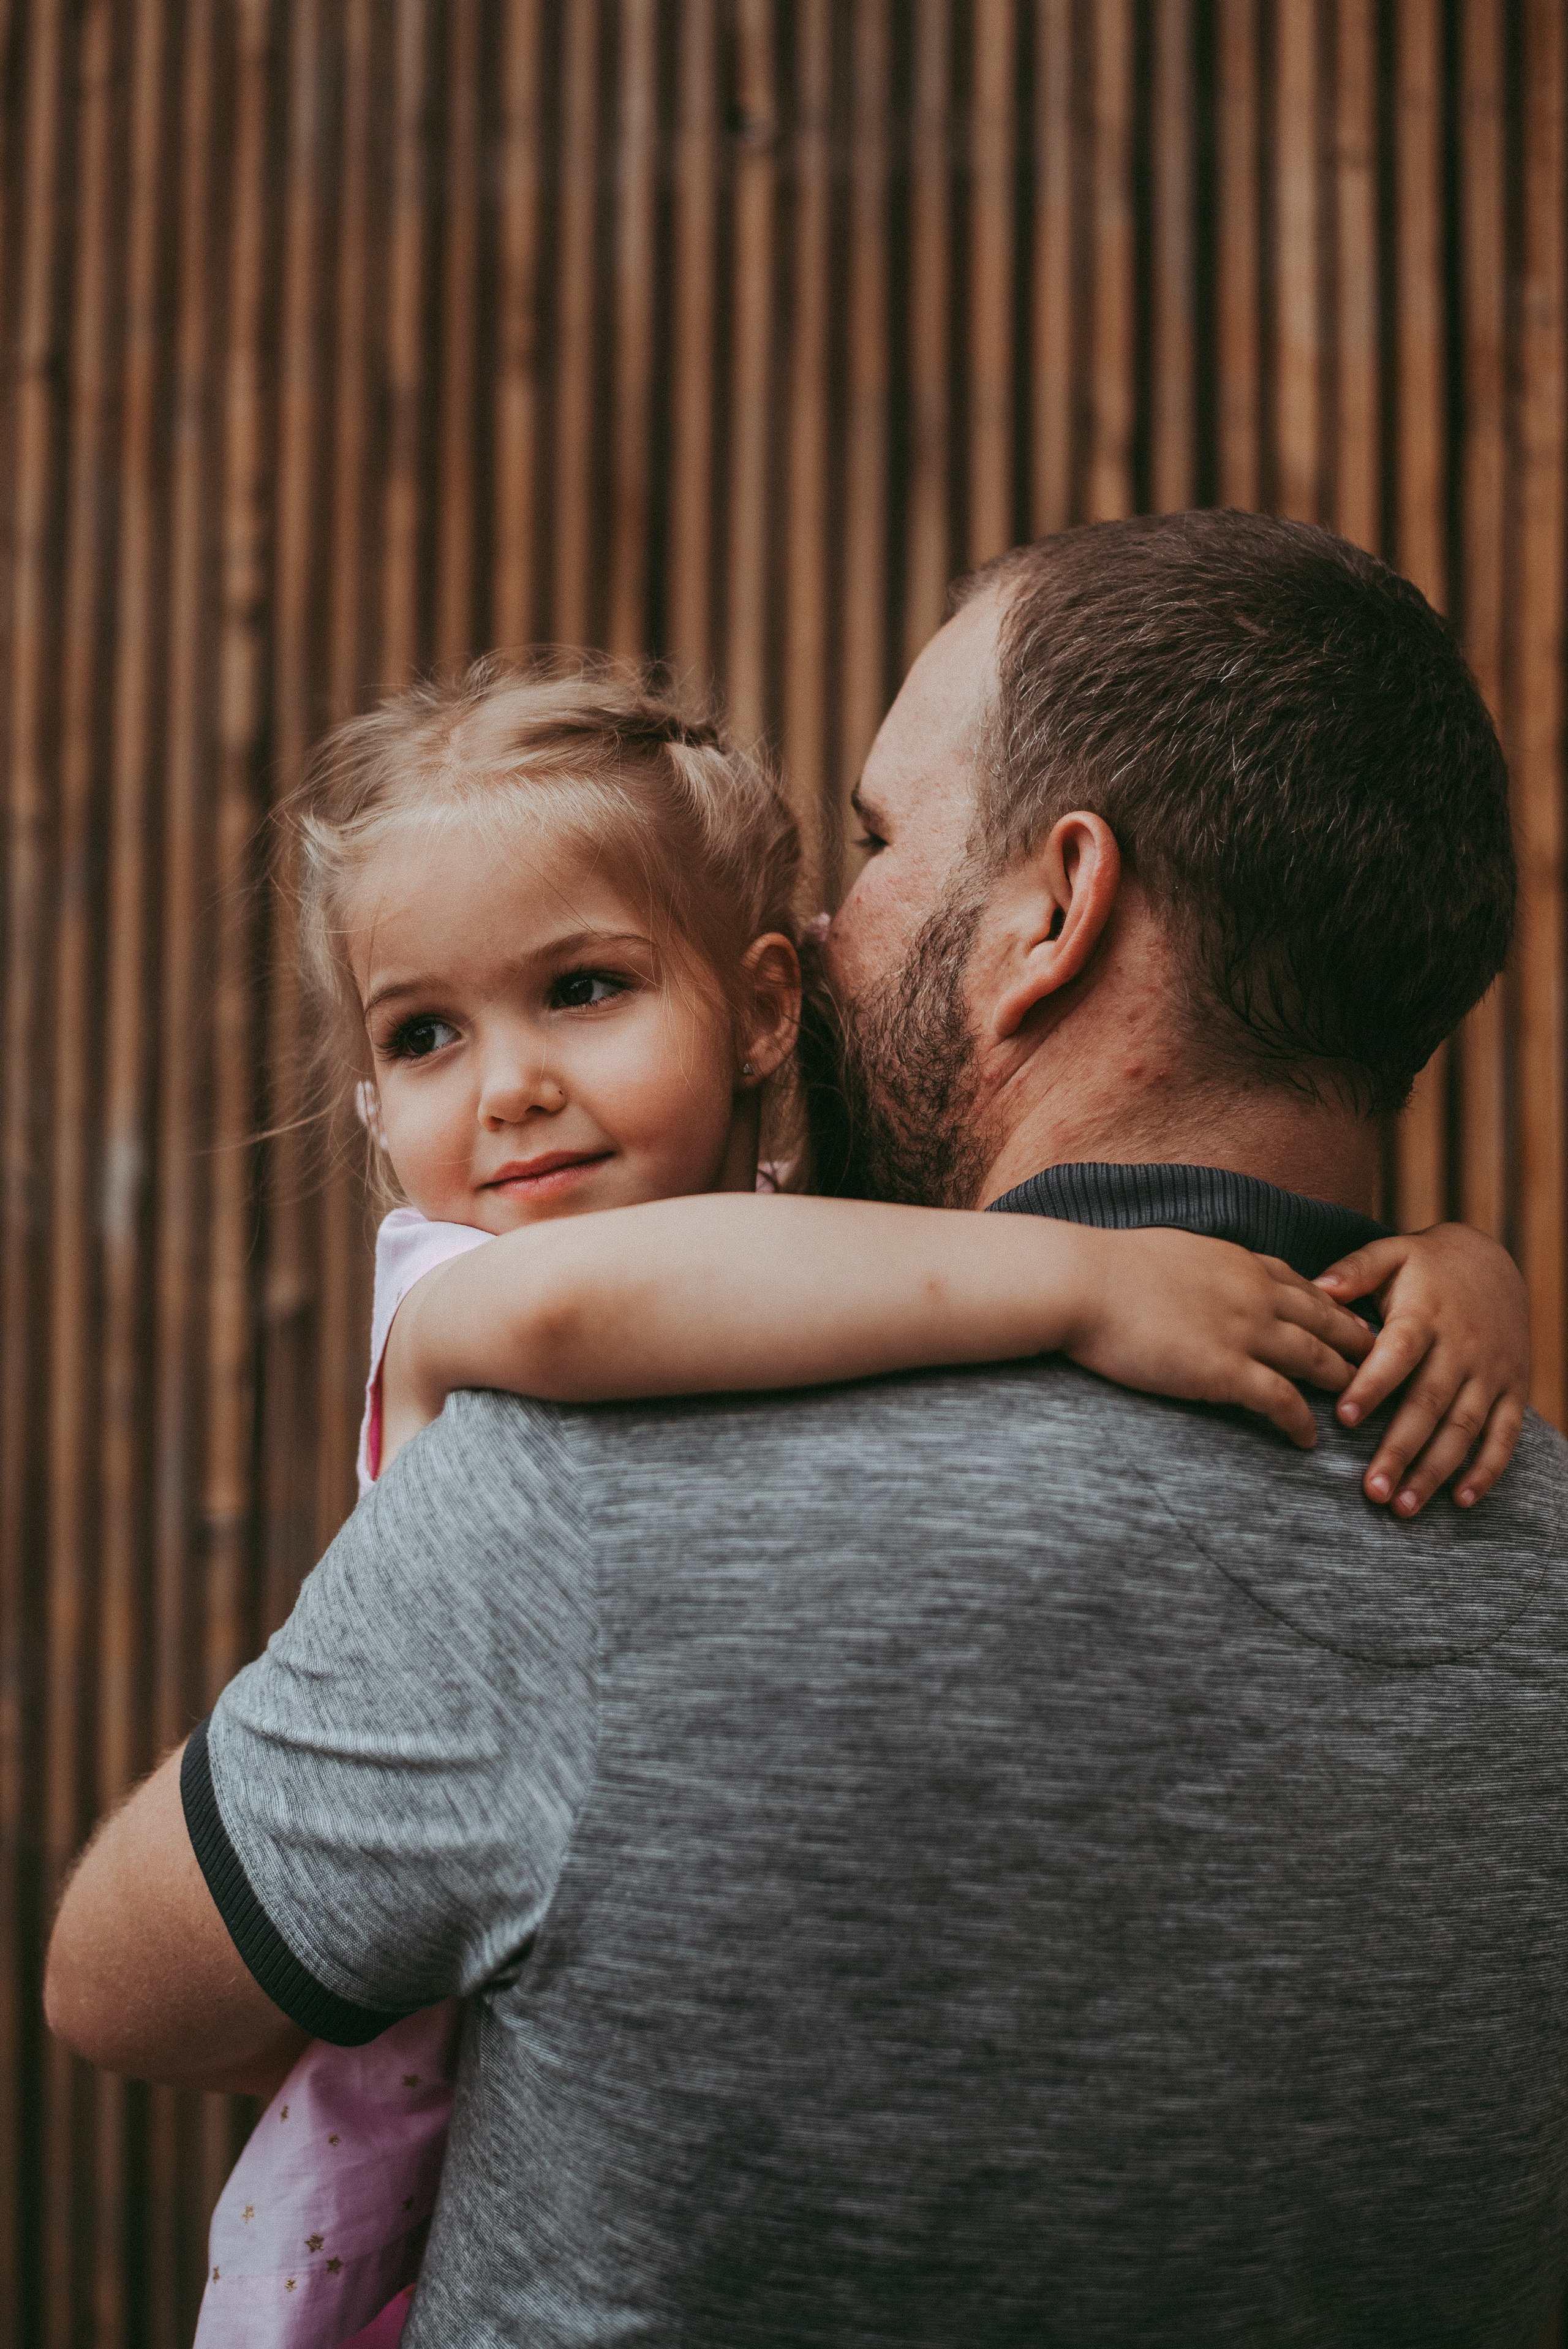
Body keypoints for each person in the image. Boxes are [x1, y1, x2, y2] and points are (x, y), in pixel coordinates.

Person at [48, 513, 1566, 2344]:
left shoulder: (592, 1489)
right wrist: (1455, 1269)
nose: (828, 933)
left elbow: (120, 1989)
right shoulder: (1514, 1519)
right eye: (426, 1035)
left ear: (1055, 910)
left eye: (876, 843)